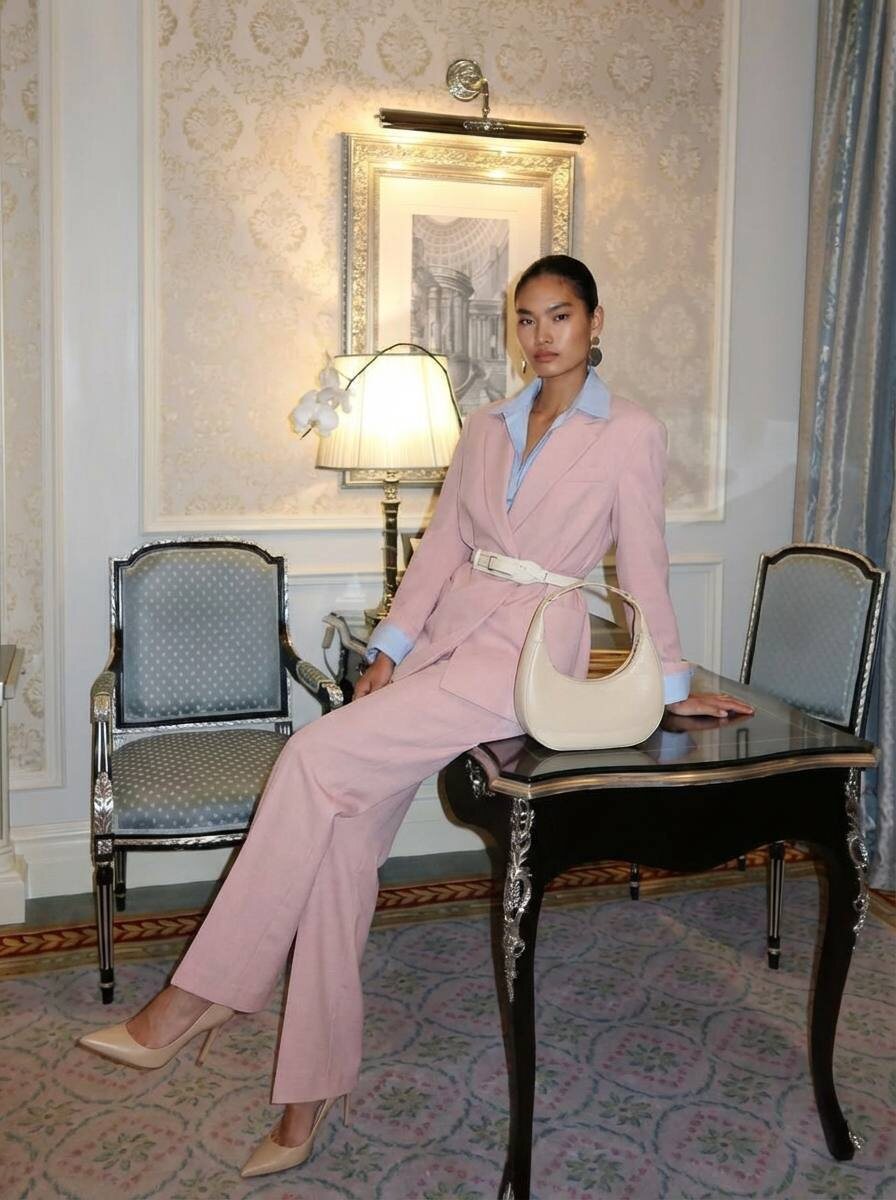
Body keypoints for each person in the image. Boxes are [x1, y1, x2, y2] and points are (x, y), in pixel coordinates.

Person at [78, 255, 753, 1179]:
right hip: (448, 637)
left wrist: (673, 688)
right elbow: (441, 549)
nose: (542, 334)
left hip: (528, 652)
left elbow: (644, 563)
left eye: (560, 315)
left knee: (310, 760)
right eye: (527, 318)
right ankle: (309, 1095)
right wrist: (389, 650)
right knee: (339, 847)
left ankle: (198, 996)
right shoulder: (487, 426)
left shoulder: (631, 432)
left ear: (596, 322)